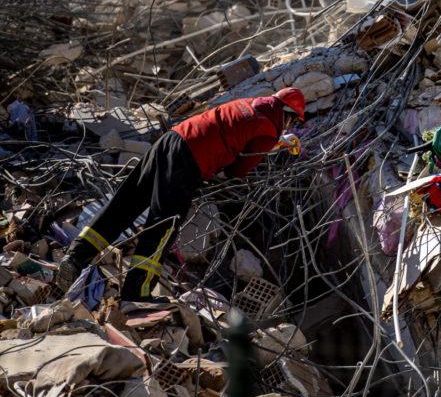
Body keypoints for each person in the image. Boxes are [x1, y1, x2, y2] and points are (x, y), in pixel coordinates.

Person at [54, 87, 306, 301]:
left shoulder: (248, 105)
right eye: (294, 121)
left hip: (170, 141)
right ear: (289, 116)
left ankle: (76, 257)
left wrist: (272, 143)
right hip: (189, 160)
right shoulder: (270, 128)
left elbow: (238, 132)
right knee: (163, 225)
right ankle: (135, 293)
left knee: (125, 205)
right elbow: (239, 170)